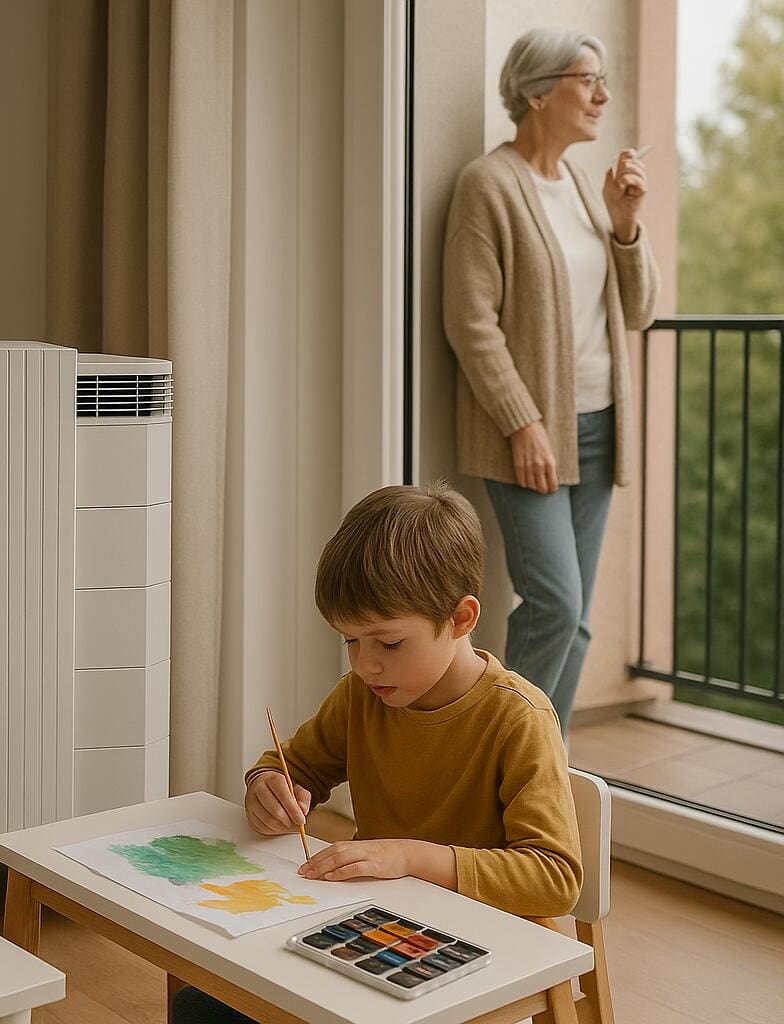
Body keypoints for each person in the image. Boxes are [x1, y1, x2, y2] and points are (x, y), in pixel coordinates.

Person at [172, 484, 582, 1024]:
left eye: (388, 644)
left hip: (478, 959)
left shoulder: (518, 718)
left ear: (461, 619)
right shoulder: (362, 695)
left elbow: (554, 878)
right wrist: (268, 785)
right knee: (204, 1009)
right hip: (375, 930)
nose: (366, 665)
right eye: (349, 641)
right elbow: (296, 766)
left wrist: (411, 858)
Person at [442, 28, 659, 738]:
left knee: (580, 623)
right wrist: (522, 422)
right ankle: (498, 762)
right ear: (539, 91)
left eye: (603, 82)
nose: (601, 95)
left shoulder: (587, 193)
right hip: (529, 434)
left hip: (597, 429)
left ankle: (540, 769)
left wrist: (626, 226)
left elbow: (639, 310)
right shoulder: (489, 184)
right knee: (556, 606)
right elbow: (470, 321)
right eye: (586, 79)